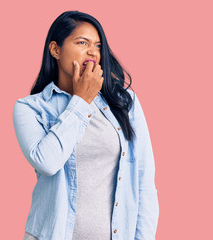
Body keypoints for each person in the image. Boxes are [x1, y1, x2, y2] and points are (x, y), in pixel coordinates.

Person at [12, 10, 159, 240]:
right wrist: (80, 100)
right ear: (55, 50)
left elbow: (144, 183)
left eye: (98, 45)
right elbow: (48, 162)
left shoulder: (125, 102)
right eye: (82, 42)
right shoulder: (31, 108)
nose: (92, 51)